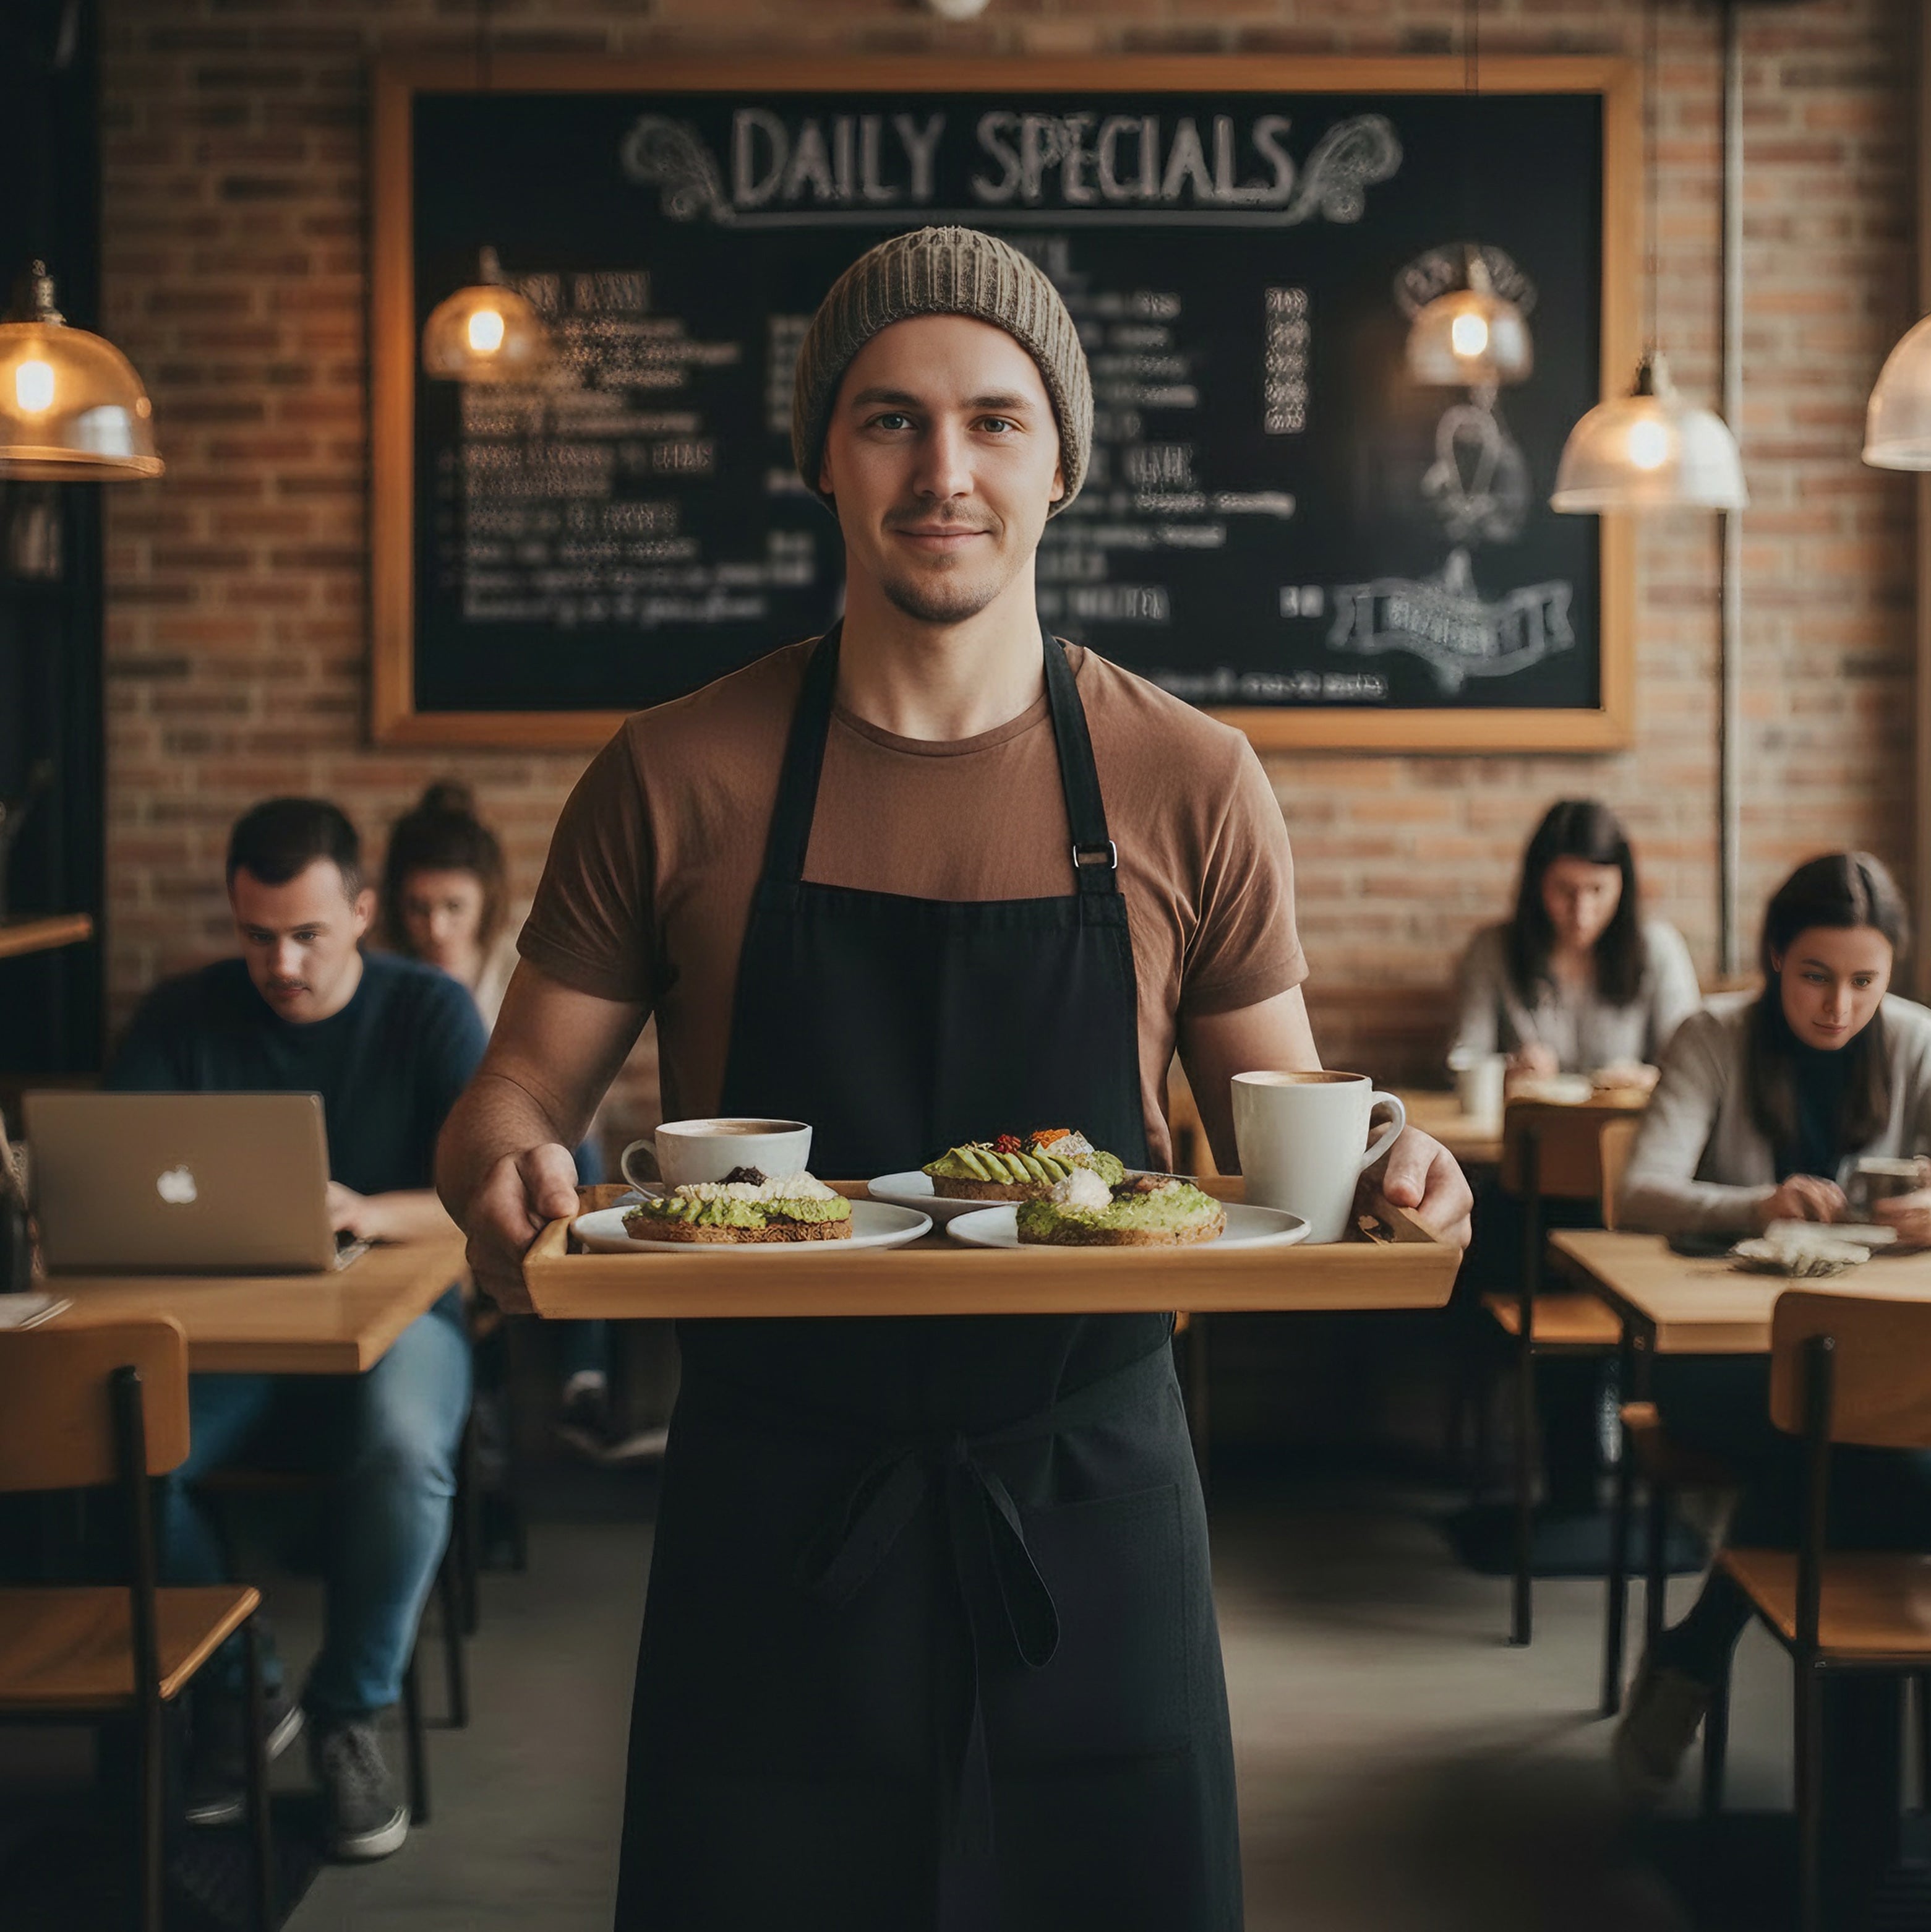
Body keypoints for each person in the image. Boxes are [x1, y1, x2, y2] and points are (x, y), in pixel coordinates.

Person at [437, 225, 1472, 1931]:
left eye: (995, 420)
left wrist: (1392, 1170)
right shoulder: (674, 773)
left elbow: (1295, 1140)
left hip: (1092, 1501)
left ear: (1061, 463)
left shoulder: (1190, 780)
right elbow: (510, 1099)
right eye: (889, 421)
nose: (945, 470)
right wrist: (504, 1177)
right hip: (773, 1506)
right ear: (820, 460)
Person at [108, 798, 484, 1861]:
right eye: (257, 934)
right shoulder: (183, 1016)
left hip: (403, 1323)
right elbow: (119, 1173)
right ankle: (240, 1687)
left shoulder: (432, 1013)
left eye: (307, 933)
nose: (281, 961)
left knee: (408, 1445)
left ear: (362, 911)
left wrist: (367, 1210)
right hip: (229, 1339)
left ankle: (346, 1713)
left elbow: (487, 1192)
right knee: (122, 1441)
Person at [1612, 852, 1931, 1806]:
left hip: (1868, 1365)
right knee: (1882, 1461)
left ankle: (1695, 1650)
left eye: (1864, 981)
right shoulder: (1712, 1034)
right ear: (1773, 959)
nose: (1839, 1005)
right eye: (1815, 976)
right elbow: (1636, 1195)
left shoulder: (1915, 1041)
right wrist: (1759, 1201)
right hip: (1721, 1359)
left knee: (1857, 1447)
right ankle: (1857, 1817)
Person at [380, 781, 651, 1464]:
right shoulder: (390, 984)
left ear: (485, 904)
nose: (436, 928)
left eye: (452, 908)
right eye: (418, 909)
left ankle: (579, 1382)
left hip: (532, 1165)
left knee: (573, 1155)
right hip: (421, 1165)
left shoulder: (523, 972)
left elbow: (564, 1088)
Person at [1452, 798, 1700, 1086]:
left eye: (1597, 890)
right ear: (1537, 884)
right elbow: (1464, 1060)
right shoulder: (1492, 949)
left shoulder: (1659, 949)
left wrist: (1647, 1078)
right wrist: (1509, 1071)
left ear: (1623, 885)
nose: (1582, 913)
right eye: (1564, 890)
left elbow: (1693, 1067)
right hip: (1530, 1126)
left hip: (1627, 1126)